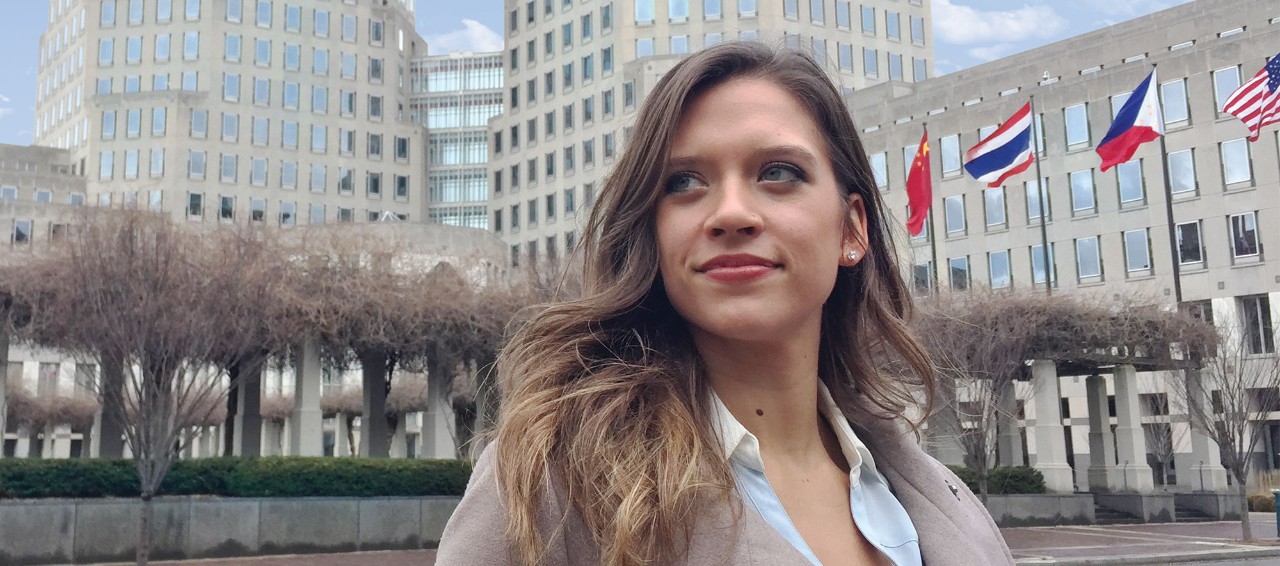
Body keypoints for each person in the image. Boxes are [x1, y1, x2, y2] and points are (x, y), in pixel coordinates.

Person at [437, 42, 1013, 566]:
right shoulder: (547, 484)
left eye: (779, 172)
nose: (731, 212)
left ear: (851, 229)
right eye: (683, 182)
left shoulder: (940, 501)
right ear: (652, 230)